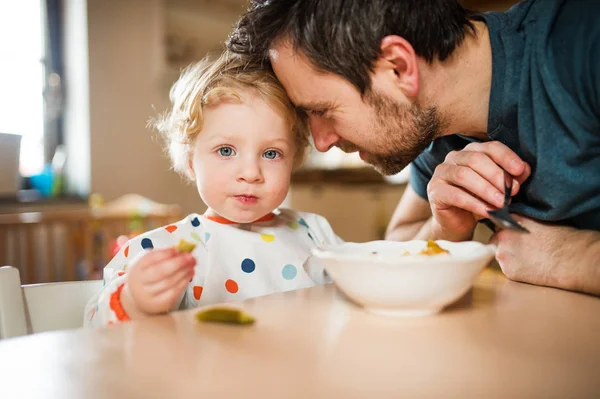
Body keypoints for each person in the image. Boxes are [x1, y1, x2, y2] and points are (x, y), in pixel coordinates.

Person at [226, 0, 600, 296]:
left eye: (322, 111)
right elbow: (400, 240)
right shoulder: (432, 128)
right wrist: (444, 225)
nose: (322, 141)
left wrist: (566, 257)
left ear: (400, 67)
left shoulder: (581, 42)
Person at [84, 51, 342, 326]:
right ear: (191, 160)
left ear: (294, 159)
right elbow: (95, 326)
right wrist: (134, 300)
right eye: (226, 150)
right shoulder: (163, 250)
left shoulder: (315, 233)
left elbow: (353, 301)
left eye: (271, 153)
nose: (251, 173)